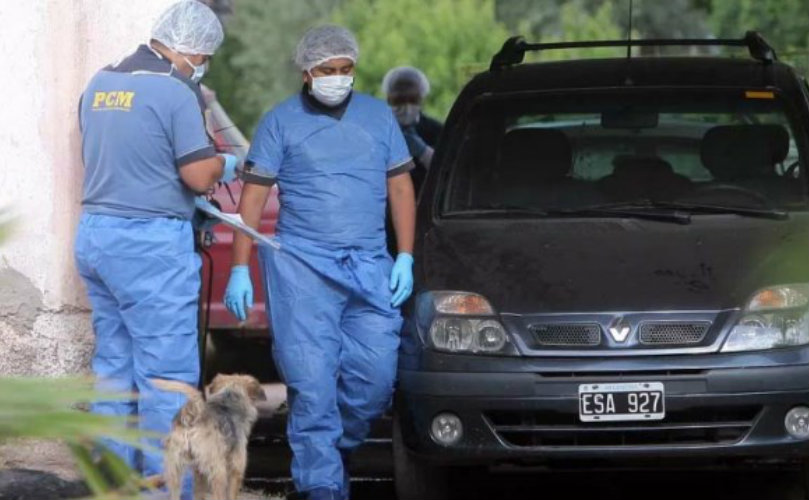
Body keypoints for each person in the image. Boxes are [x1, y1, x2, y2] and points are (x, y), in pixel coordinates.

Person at [223, 25, 416, 500]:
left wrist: (406, 256)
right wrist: (240, 266)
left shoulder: (377, 118)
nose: (338, 77)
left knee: (375, 380)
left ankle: (335, 450)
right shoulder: (279, 122)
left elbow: (399, 188)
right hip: (303, 270)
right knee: (310, 385)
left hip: (369, 266)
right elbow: (253, 199)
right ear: (307, 72)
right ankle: (322, 484)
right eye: (328, 70)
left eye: (346, 69)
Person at [73, 2, 235, 498]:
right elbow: (197, 174)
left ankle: (112, 483)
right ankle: (165, 491)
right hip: (150, 248)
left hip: (97, 236)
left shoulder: (99, 84)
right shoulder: (175, 91)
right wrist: (228, 165)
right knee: (166, 379)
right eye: (203, 55)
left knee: (114, 371)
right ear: (192, 49)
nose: (201, 64)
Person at [381, 65, 444, 194]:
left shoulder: (437, 131)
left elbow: (447, 175)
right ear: (388, 99)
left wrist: (424, 152)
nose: (406, 107)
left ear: (422, 99)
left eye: (413, 100)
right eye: (399, 100)